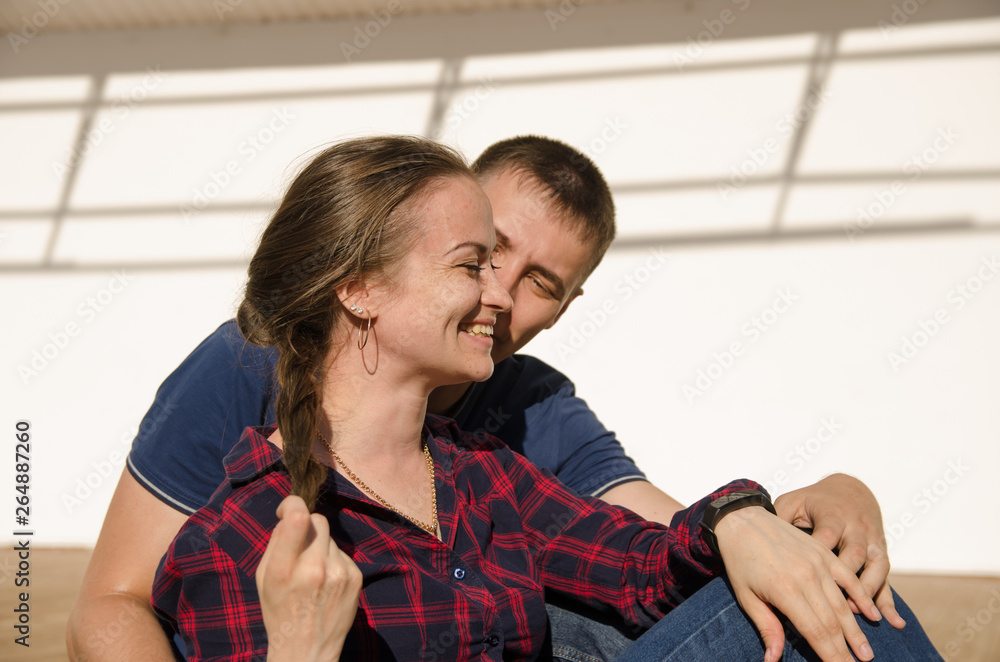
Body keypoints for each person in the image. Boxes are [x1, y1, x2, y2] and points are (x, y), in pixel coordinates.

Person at [67, 136, 901, 661]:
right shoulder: (246, 415)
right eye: (477, 257)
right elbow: (110, 605)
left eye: (538, 282)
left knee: (811, 591)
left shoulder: (502, 453)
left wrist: (779, 514)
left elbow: (647, 542)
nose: (498, 294)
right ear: (363, 283)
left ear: (568, 307)